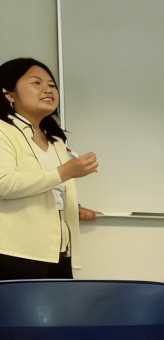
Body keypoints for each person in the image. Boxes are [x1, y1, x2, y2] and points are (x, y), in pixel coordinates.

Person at [0, 58, 99, 280]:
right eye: (36, 83)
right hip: (13, 252)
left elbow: (44, 185)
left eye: (52, 85)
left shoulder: (55, 139)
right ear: (9, 94)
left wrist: (69, 206)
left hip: (57, 251)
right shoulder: (2, 130)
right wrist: (67, 171)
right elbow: (4, 184)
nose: (48, 89)